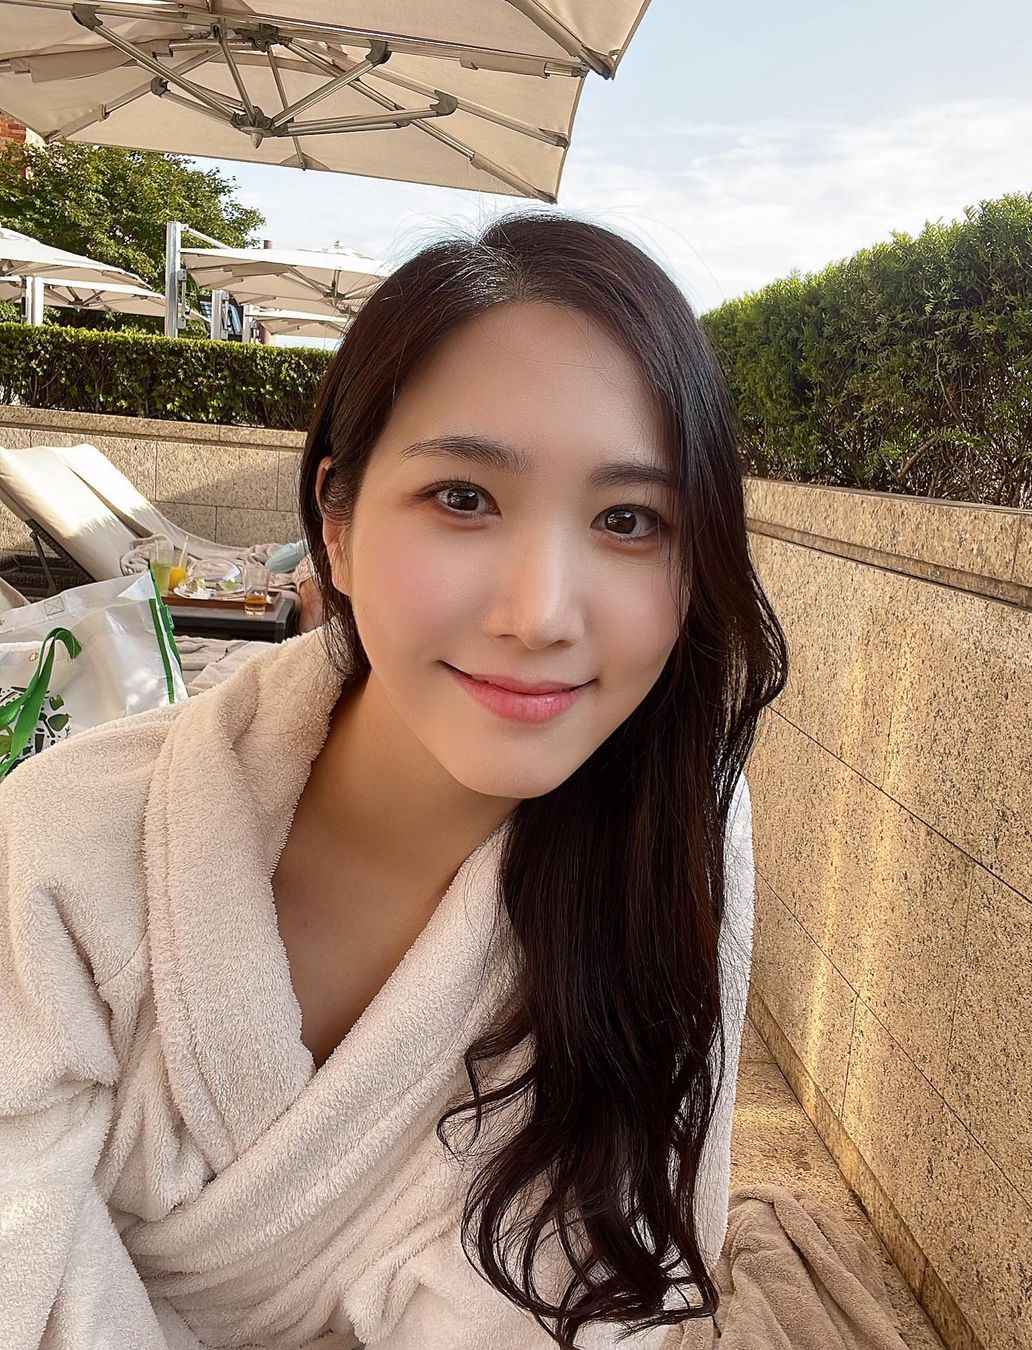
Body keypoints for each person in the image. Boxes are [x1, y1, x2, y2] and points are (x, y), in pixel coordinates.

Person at [0, 213, 788, 1349]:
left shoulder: (675, 846)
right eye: (463, 497)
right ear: (338, 523)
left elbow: (582, 1296)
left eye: (629, 520)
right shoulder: (64, 851)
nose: (538, 615)